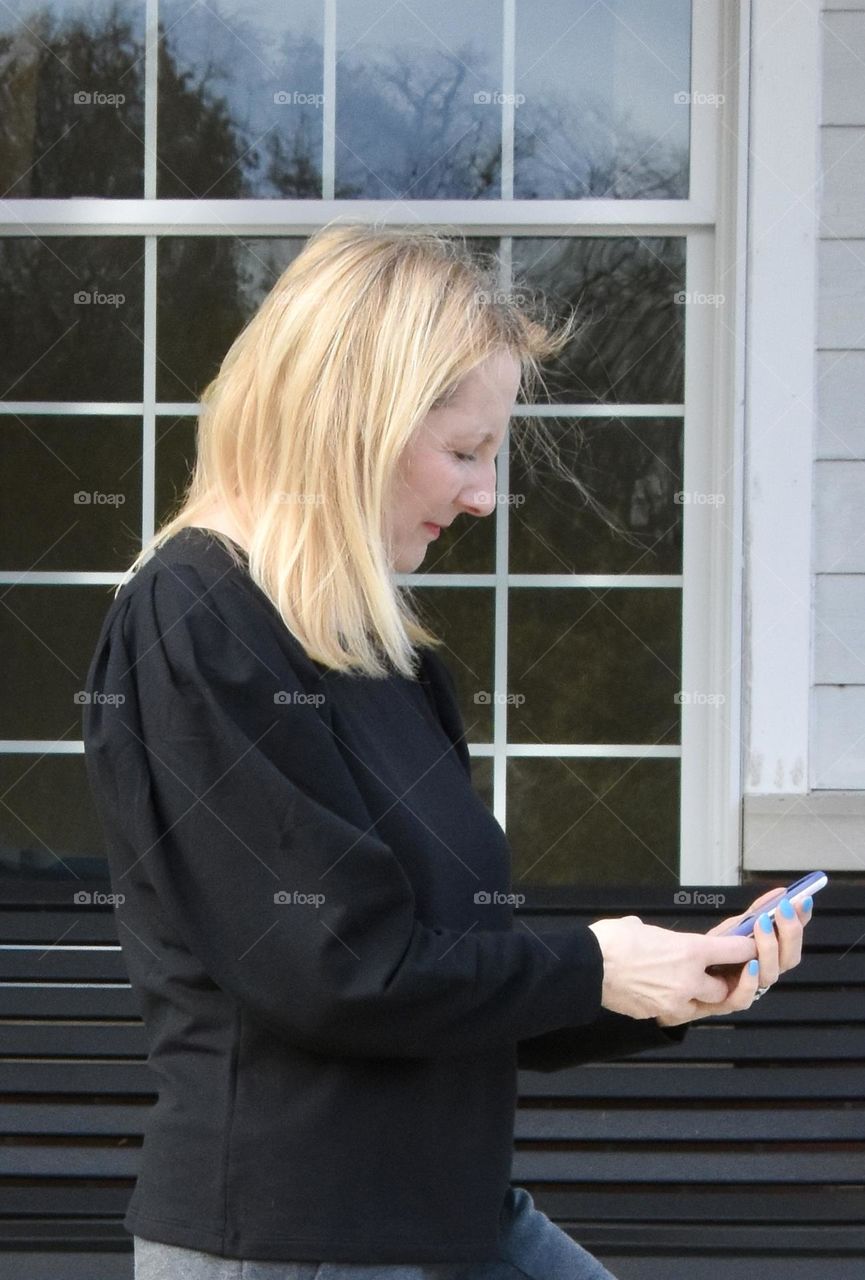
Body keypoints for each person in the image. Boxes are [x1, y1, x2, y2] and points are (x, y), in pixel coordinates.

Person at [81, 223, 813, 1280]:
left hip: (448, 1215)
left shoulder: (379, 651)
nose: (483, 496)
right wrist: (602, 962)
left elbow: (446, 979)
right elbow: (339, 969)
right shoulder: (194, 615)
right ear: (347, 422)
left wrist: (673, 980)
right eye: (464, 451)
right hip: (298, 1238)